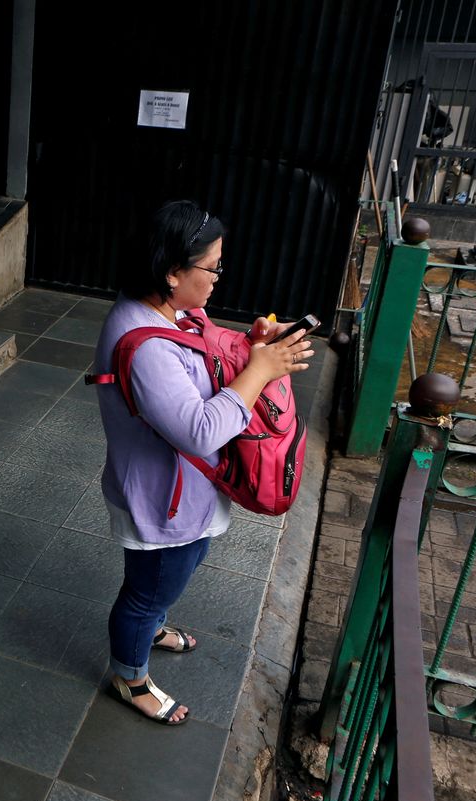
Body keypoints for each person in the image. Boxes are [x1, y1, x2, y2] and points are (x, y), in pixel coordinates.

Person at [93, 200, 314, 725]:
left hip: (189, 490)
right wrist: (259, 372)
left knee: (177, 573)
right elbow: (199, 430)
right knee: (147, 592)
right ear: (172, 273)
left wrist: (251, 347)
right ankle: (130, 675)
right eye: (211, 267)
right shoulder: (144, 346)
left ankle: (155, 624)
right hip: (162, 498)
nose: (218, 277)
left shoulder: (174, 312)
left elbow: (209, 361)